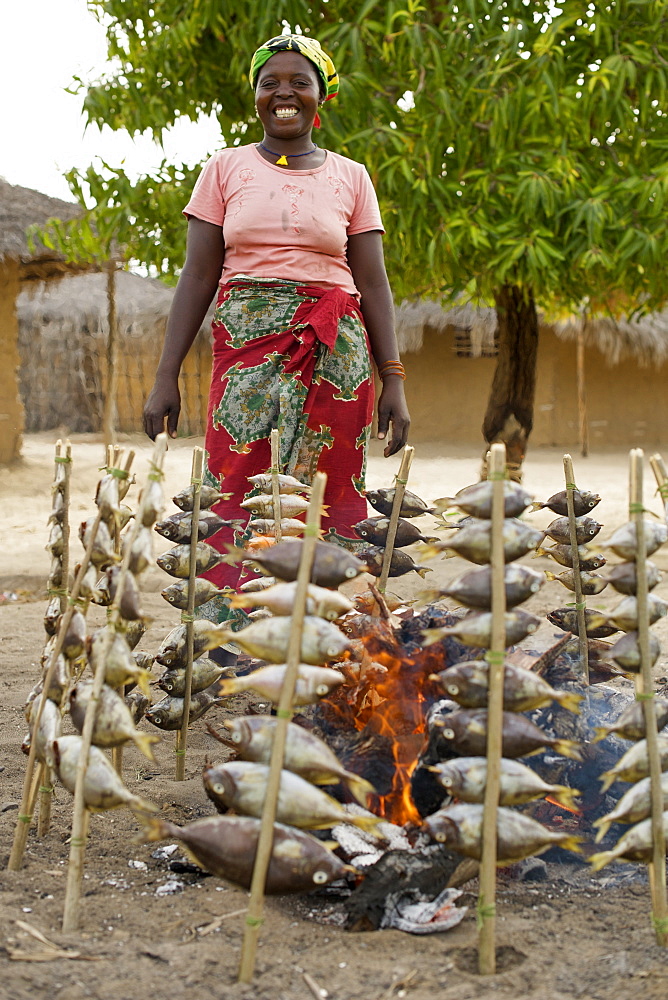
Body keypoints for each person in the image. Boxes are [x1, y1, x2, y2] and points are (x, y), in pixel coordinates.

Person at [143, 33, 410, 624]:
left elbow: (374, 283)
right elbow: (197, 277)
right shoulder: (224, 168)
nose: (283, 93)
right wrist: (166, 376)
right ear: (255, 97)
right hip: (245, 349)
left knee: (330, 482)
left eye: (299, 83)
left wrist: (392, 378)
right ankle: (233, 640)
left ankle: (325, 635)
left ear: (321, 97)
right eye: (271, 83)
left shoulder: (352, 176)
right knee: (235, 479)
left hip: (336, 353)